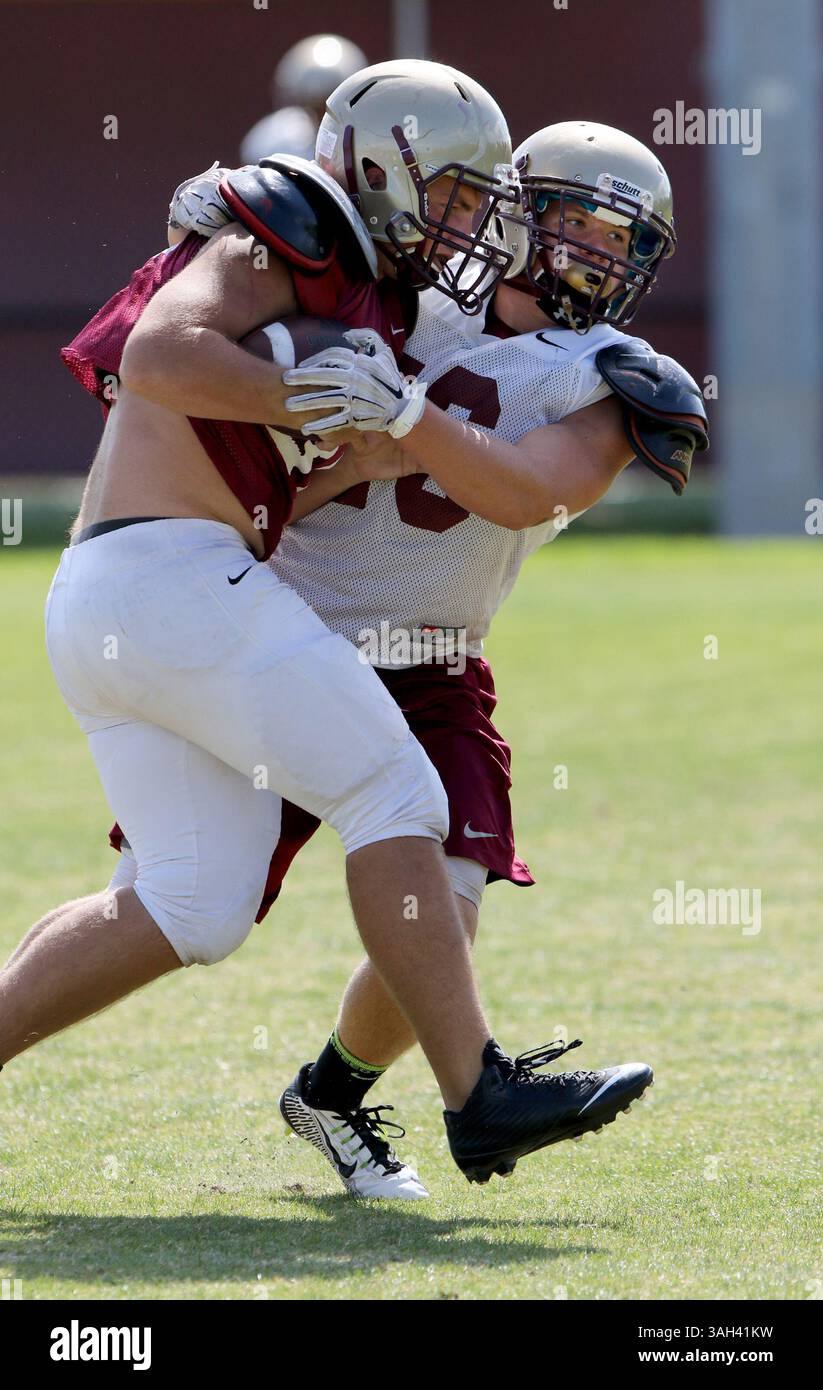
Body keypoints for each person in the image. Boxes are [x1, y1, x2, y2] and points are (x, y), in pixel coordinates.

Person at [1, 69, 652, 1191]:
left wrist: (363, 412)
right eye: (452, 195)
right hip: (174, 575)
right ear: (387, 163)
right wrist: (314, 394)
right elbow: (157, 356)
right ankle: (477, 1094)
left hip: (138, 594)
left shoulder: (378, 292)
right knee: (399, 795)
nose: (464, 227)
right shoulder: (295, 216)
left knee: (190, 903)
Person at [168, 121, 705, 1198]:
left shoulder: (608, 373)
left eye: (620, 243)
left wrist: (405, 419)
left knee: (449, 901)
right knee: (175, 908)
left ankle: (335, 1093)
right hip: (284, 633)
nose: (596, 259)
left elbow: (523, 491)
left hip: (430, 660)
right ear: (509, 208)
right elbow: (260, 433)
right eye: (578, 226)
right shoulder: (407, 297)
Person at [240, 34, 367, 164]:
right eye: (315, 104)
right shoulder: (275, 140)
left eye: (330, 104)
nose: (323, 114)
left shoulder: (369, 137)